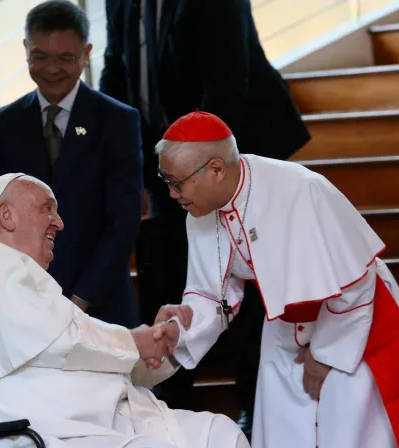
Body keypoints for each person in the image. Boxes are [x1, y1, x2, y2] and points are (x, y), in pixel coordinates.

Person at [151, 110, 399, 448]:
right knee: (285, 430)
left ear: (216, 170)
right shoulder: (200, 210)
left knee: (351, 430)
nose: (172, 194)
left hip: (352, 323)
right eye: (167, 182)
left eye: (176, 183)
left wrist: (324, 355)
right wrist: (181, 329)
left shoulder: (301, 189)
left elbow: (355, 283)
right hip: (284, 327)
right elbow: (213, 296)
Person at [99, 0, 311, 421]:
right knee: (178, 275)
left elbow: (228, 78)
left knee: (250, 286)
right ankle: (173, 410)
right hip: (167, 160)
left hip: (228, 155)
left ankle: (257, 407)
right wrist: (135, 164)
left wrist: (202, 170)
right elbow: (116, 70)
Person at [0, 173, 249, 448]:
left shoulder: (31, 285)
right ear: (7, 216)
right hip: (31, 429)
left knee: (219, 434)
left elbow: (92, 354)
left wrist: (164, 344)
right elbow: (65, 342)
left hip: (90, 422)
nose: (59, 223)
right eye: (46, 209)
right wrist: (137, 342)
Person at [0, 0, 144, 328]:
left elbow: (123, 222)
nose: (52, 69)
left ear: (86, 54)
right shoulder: (4, 123)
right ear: (26, 48)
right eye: (40, 56)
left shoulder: (117, 120)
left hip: (100, 303)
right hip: (24, 301)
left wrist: (80, 300)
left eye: (65, 58)